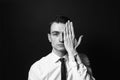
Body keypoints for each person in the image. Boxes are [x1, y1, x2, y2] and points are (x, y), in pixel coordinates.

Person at [28, 16, 95, 80]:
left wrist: (73, 52)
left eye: (66, 34)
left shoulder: (82, 59)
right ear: (49, 37)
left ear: (72, 36)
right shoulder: (38, 67)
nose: (61, 39)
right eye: (55, 34)